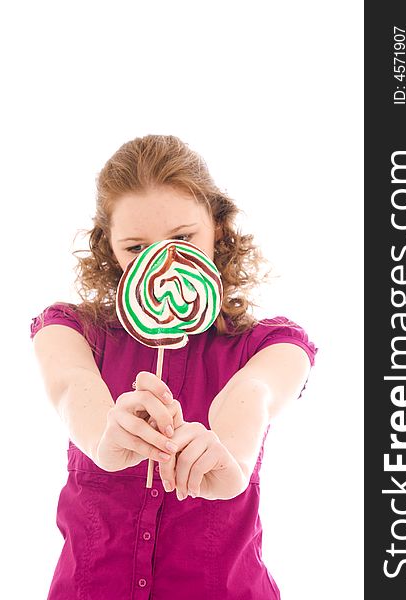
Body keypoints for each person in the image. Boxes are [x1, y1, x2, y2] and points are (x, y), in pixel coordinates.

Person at [30, 134, 318, 600]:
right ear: (110, 248)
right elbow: (69, 384)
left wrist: (230, 453)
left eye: (183, 239)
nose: (162, 265)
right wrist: (104, 434)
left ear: (218, 229)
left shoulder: (270, 344)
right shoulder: (74, 330)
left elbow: (255, 392)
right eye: (135, 247)